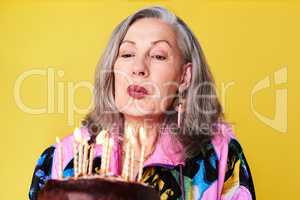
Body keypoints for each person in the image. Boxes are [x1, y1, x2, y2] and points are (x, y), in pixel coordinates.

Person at [29, 6, 255, 200]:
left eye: (158, 55)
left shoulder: (220, 155)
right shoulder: (61, 160)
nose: (138, 68)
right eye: (127, 54)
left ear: (184, 77)